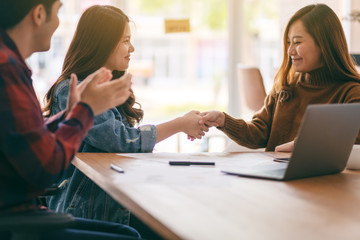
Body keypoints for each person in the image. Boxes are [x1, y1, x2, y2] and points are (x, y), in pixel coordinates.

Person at [42, 5, 208, 227]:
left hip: (111, 204)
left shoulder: (105, 86)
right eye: (124, 41)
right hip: (87, 211)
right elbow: (122, 141)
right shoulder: (73, 89)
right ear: (102, 43)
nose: (131, 48)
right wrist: (179, 124)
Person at [0, 0, 142, 239]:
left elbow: (25, 141)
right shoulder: (7, 70)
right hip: (15, 217)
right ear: (38, 14)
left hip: (20, 212)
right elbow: (46, 168)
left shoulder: (11, 65)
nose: (58, 23)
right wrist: (85, 111)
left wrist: (71, 113)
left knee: (129, 231)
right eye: (58, 12)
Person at [199, 4, 360, 152]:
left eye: (297, 42)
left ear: (324, 44)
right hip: (277, 179)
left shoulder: (352, 93)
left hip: (324, 182)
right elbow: (258, 133)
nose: (290, 51)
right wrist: (223, 120)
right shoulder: (285, 86)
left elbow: (354, 142)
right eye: (288, 42)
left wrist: (304, 145)